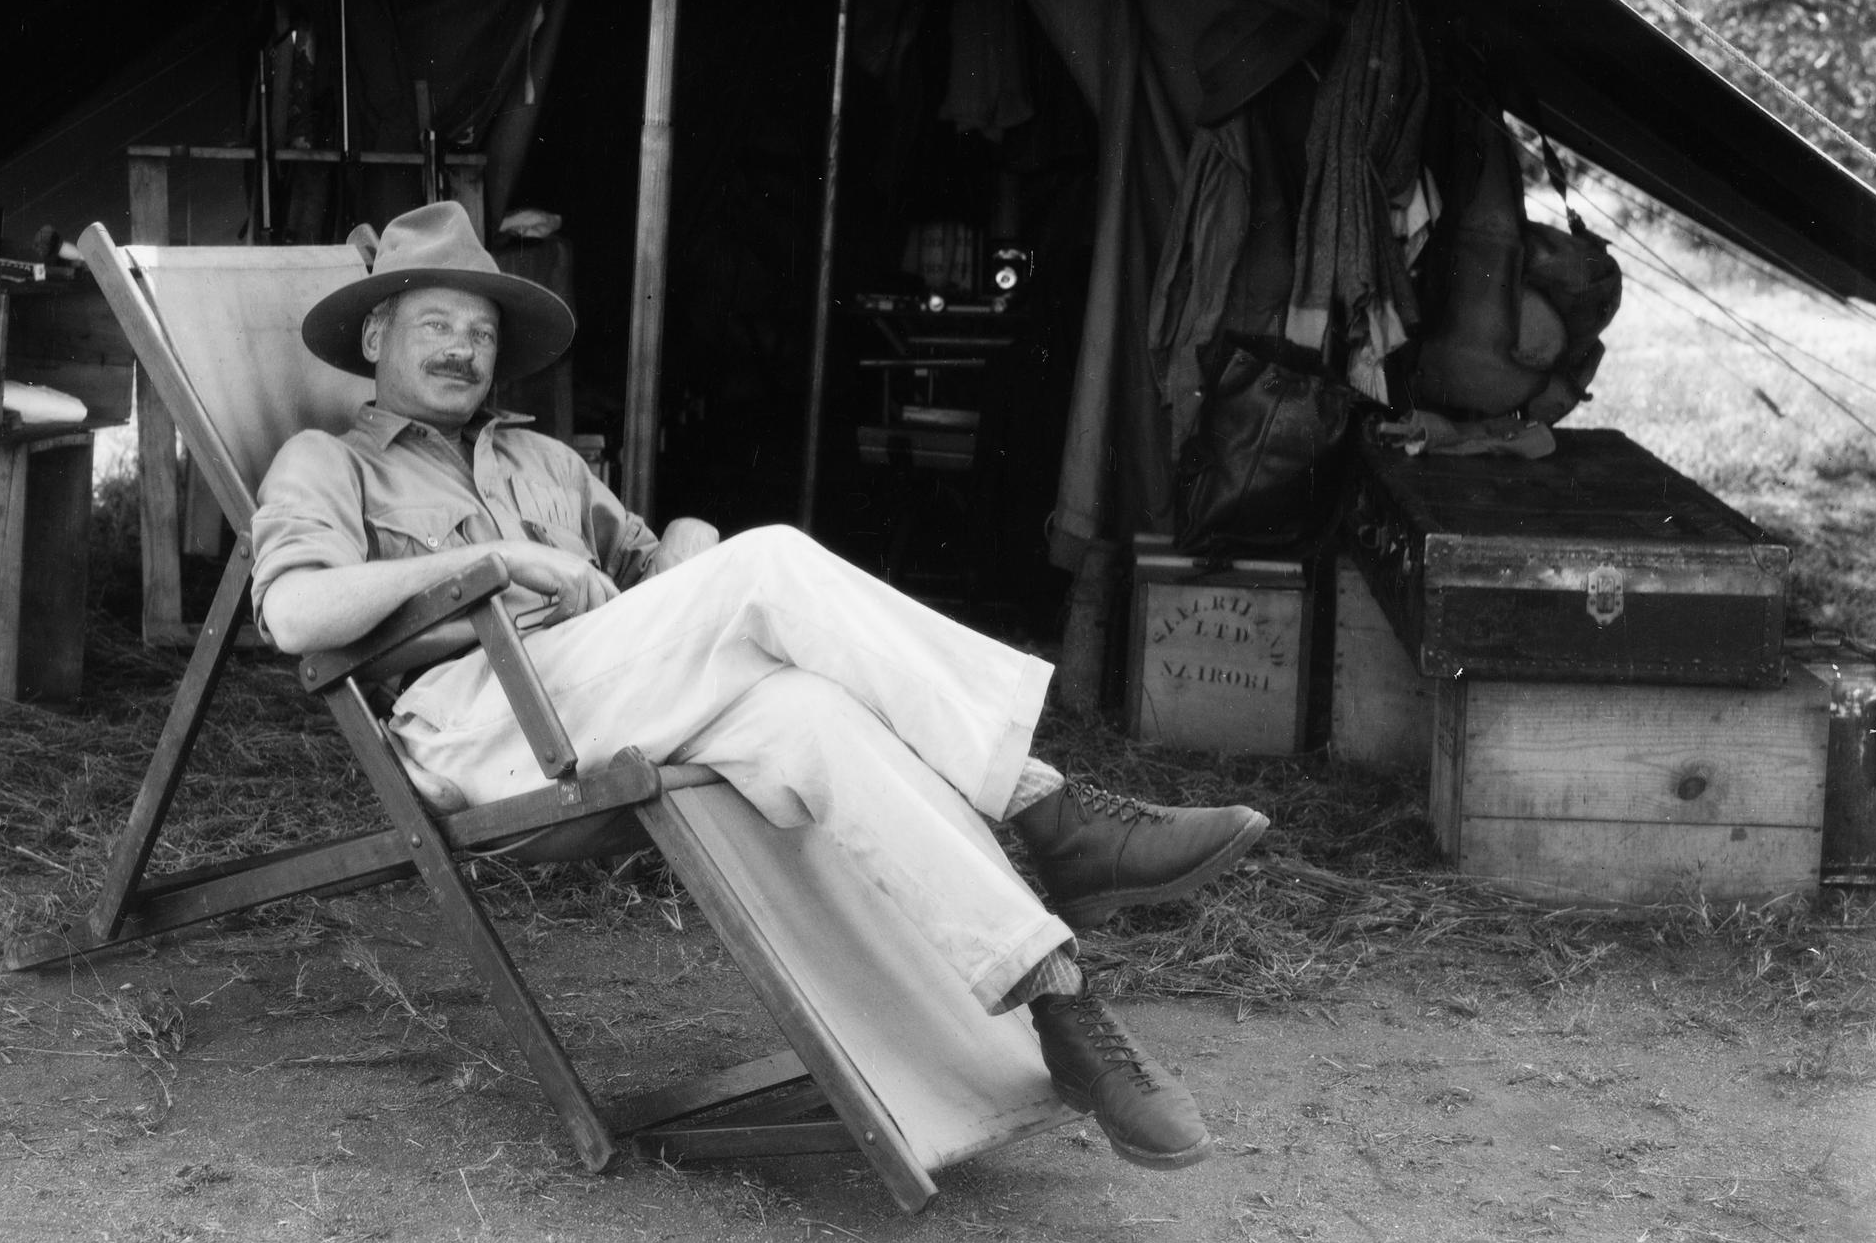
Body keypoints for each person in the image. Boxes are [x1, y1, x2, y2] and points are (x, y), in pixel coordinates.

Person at [251, 203, 1268, 1170]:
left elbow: (661, 577)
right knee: (772, 562)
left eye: (479, 329)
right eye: (434, 322)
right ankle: (1048, 804)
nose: (461, 348)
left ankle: (1061, 1001)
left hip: (606, 696)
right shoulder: (330, 461)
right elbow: (294, 614)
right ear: (376, 332)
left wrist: (683, 547)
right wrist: (495, 565)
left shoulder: (544, 461)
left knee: (811, 712)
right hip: (471, 722)